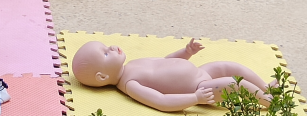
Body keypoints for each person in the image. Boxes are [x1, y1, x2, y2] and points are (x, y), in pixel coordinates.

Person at [71, 38, 272, 111]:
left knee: (230, 65)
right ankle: (268, 101)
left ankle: (267, 87)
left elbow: (165, 61)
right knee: (234, 83)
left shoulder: (131, 64)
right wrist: (195, 98)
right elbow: (161, 101)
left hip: (201, 72)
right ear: (102, 77)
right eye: (106, 53)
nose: (113, 47)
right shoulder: (130, 84)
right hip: (201, 88)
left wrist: (186, 53)